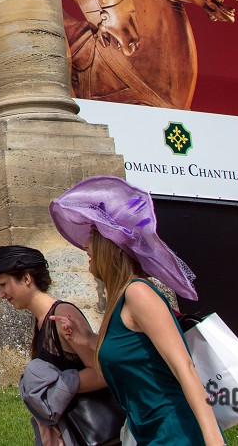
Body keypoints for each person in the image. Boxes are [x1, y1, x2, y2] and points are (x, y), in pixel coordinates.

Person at [48, 176, 226, 446]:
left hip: (176, 434)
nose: (85, 246)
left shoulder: (138, 293)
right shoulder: (120, 300)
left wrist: (214, 441)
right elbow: (132, 361)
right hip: (150, 435)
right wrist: (87, 339)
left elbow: (184, 367)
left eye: (93, 237)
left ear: (112, 246)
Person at [0, 245, 106, 446]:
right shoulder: (41, 320)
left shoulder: (62, 315)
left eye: (3, 284)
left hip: (86, 431)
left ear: (26, 278)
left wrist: (52, 390)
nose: (1, 294)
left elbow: (101, 373)